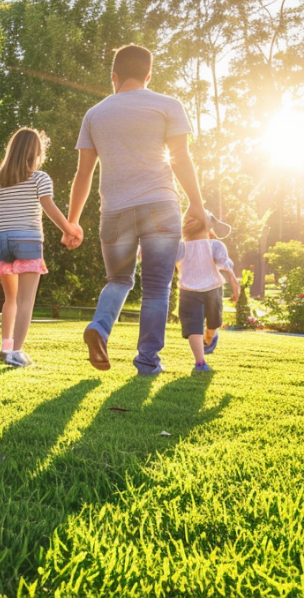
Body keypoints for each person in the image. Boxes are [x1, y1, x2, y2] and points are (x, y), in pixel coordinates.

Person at [64, 44, 209, 375]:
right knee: (157, 288)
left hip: (115, 212)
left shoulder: (95, 114)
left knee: (118, 280)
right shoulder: (168, 106)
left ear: (113, 77)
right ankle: (147, 361)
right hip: (160, 206)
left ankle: (100, 328)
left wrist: (71, 222)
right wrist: (197, 206)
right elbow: (181, 159)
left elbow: (83, 173)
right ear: (148, 75)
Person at [0, 127, 78, 368]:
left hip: (2, 241)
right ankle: (16, 353)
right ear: (36, 153)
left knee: (10, 299)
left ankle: (6, 348)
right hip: (28, 240)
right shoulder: (39, 178)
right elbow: (50, 208)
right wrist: (69, 230)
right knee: (26, 300)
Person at [177, 212, 239, 372]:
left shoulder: (215, 245)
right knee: (193, 326)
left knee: (213, 323)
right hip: (188, 291)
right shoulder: (180, 246)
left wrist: (234, 283)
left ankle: (210, 336)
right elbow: (167, 260)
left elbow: (225, 266)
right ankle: (200, 362)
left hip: (212, 290)